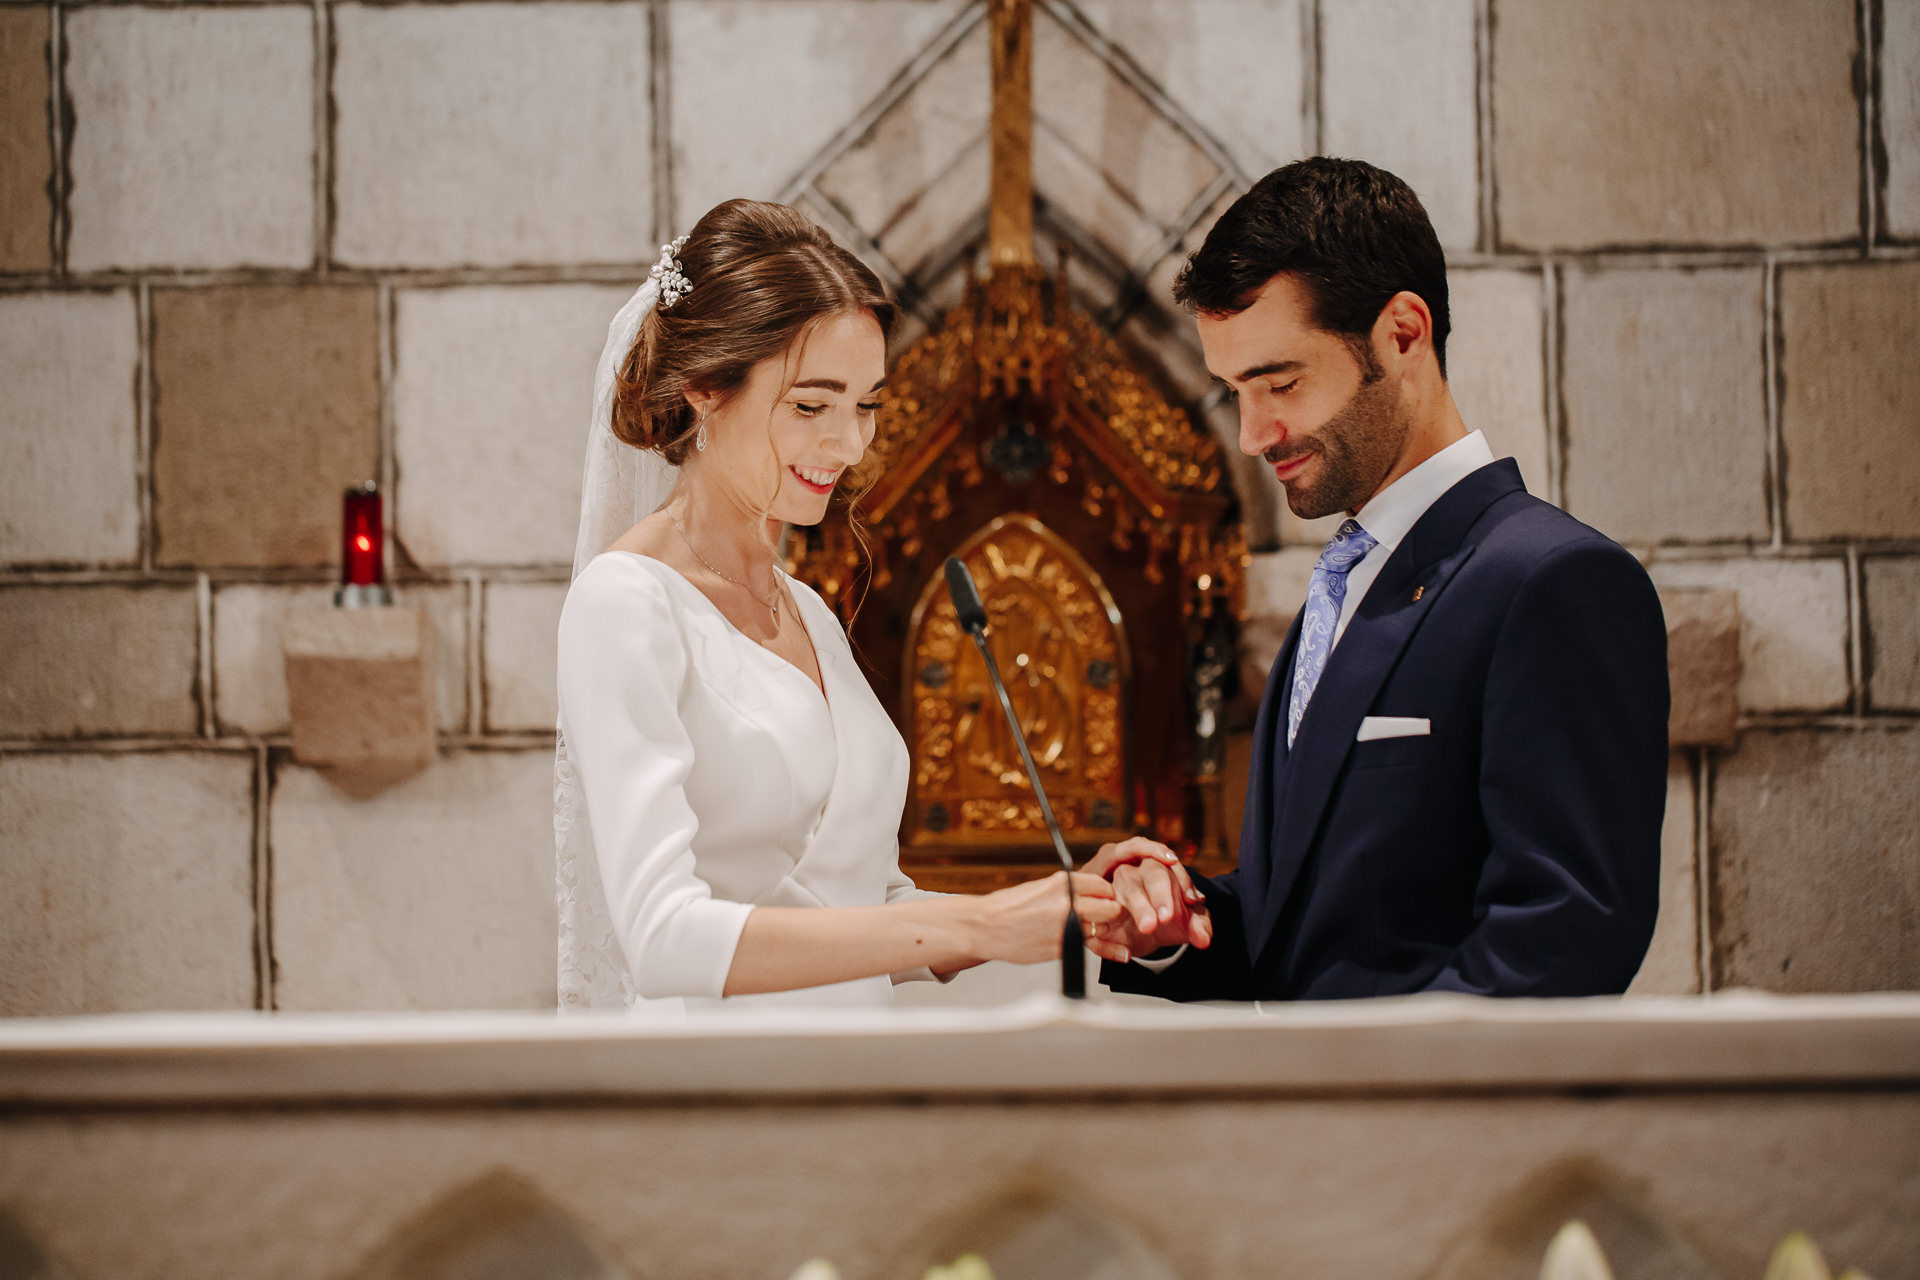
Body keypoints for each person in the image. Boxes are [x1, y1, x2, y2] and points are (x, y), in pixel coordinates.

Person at [1084, 159, 1670, 1000]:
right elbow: (1311, 929)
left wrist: (1361, 1106)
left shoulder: (1554, 583)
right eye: (1234, 394)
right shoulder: (1345, 583)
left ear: (1402, 333)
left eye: (1280, 382)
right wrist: (1177, 927)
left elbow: (1561, 937)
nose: (1253, 434)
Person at [554, 199, 1119, 1012]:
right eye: (812, 406)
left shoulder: (809, 612)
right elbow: (662, 938)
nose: (850, 445)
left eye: (867, 405)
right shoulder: (626, 604)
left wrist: (1066, 908)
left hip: (855, 1081)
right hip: (721, 1099)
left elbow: (866, 910)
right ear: (707, 389)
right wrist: (984, 926)